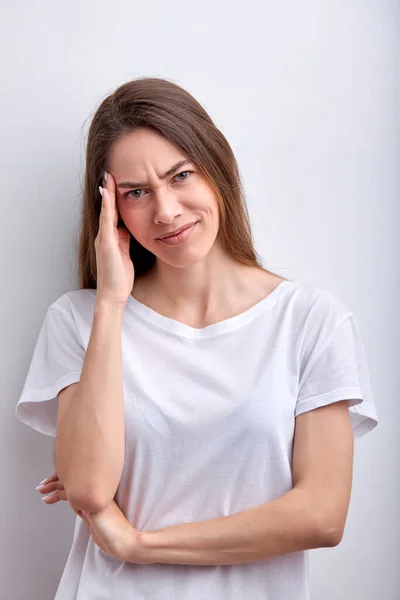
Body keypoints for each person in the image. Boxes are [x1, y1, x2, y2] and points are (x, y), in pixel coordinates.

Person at [15, 77, 378, 599]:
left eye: (179, 176)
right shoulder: (80, 320)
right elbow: (91, 490)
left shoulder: (312, 322)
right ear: (109, 210)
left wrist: (141, 545)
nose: (165, 211)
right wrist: (112, 303)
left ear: (218, 168)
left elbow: (321, 516)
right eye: (136, 193)